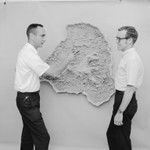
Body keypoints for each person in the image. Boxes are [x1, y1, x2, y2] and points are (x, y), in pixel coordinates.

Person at [15, 23, 74, 150]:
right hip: (28, 100)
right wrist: (67, 60)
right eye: (42, 35)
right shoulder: (29, 54)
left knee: (28, 135)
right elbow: (53, 73)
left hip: (28, 99)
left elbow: (43, 71)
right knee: (43, 137)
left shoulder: (30, 52)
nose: (44, 39)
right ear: (32, 35)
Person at [106, 26, 144, 150]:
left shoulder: (132, 59)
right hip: (122, 98)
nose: (116, 41)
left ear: (130, 40)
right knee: (117, 137)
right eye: (116, 38)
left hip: (125, 100)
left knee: (118, 138)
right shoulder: (127, 56)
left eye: (119, 38)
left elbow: (130, 88)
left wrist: (120, 112)